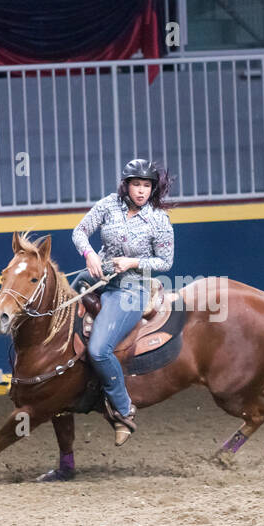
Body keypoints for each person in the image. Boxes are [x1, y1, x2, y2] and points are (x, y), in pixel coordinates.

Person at [71, 158, 175, 445]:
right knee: (62, 318)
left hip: (131, 290)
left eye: (146, 185)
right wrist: (90, 255)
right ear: (126, 185)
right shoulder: (108, 205)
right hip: (96, 276)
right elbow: (79, 232)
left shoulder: (159, 220)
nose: (141, 191)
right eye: (136, 184)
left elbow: (165, 262)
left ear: (152, 188)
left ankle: (123, 407)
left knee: (99, 349)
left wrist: (132, 262)